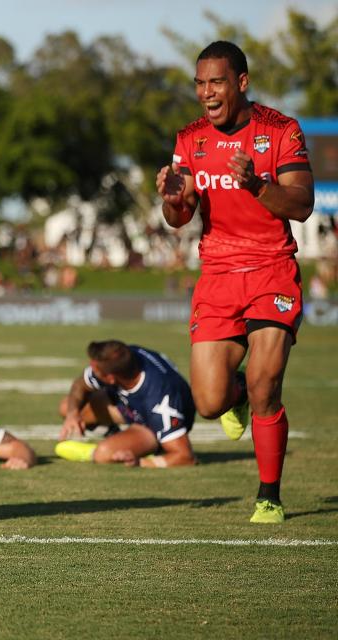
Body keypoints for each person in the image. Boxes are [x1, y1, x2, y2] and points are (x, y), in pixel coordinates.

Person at [156, 41, 314, 523]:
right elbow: (178, 217)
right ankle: (236, 393)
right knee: (207, 403)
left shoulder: (280, 130)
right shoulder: (190, 138)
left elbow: (302, 205)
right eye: (200, 83)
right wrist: (172, 198)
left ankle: (269, 494)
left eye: (216, 82)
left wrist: (257, 186)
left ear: (241, 83)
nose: (207, 92)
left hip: (271, 270)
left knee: (269, 384)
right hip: (219, 275)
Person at [56, 340, 196, 468]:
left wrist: (142, 462)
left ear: (110, 378)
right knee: (67, 407)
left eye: (95, 369)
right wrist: (72, 415)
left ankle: (136, 448)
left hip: (151, 423)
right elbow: (80, 385)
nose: (91, 371)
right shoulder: (124, 359)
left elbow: (185, 457)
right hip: (128, 405)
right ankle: (115, 435)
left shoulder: (160, 398)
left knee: (103, 454)